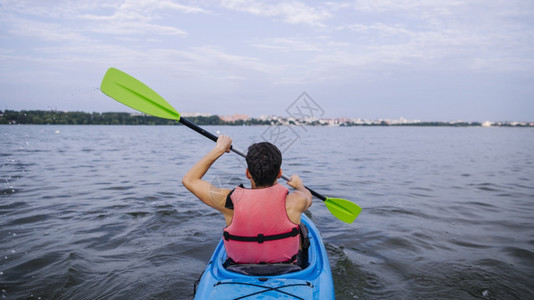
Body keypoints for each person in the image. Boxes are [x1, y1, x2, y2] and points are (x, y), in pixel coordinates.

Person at [182, 135, 312, 265]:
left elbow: (190, 180)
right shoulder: (296, 201)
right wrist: (299, 185)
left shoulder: (229, 201)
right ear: (279, 173)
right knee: (300, 228)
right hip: (287, 269)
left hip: (240, 269)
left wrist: (219, 149)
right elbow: (308, 197)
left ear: (248, 173)